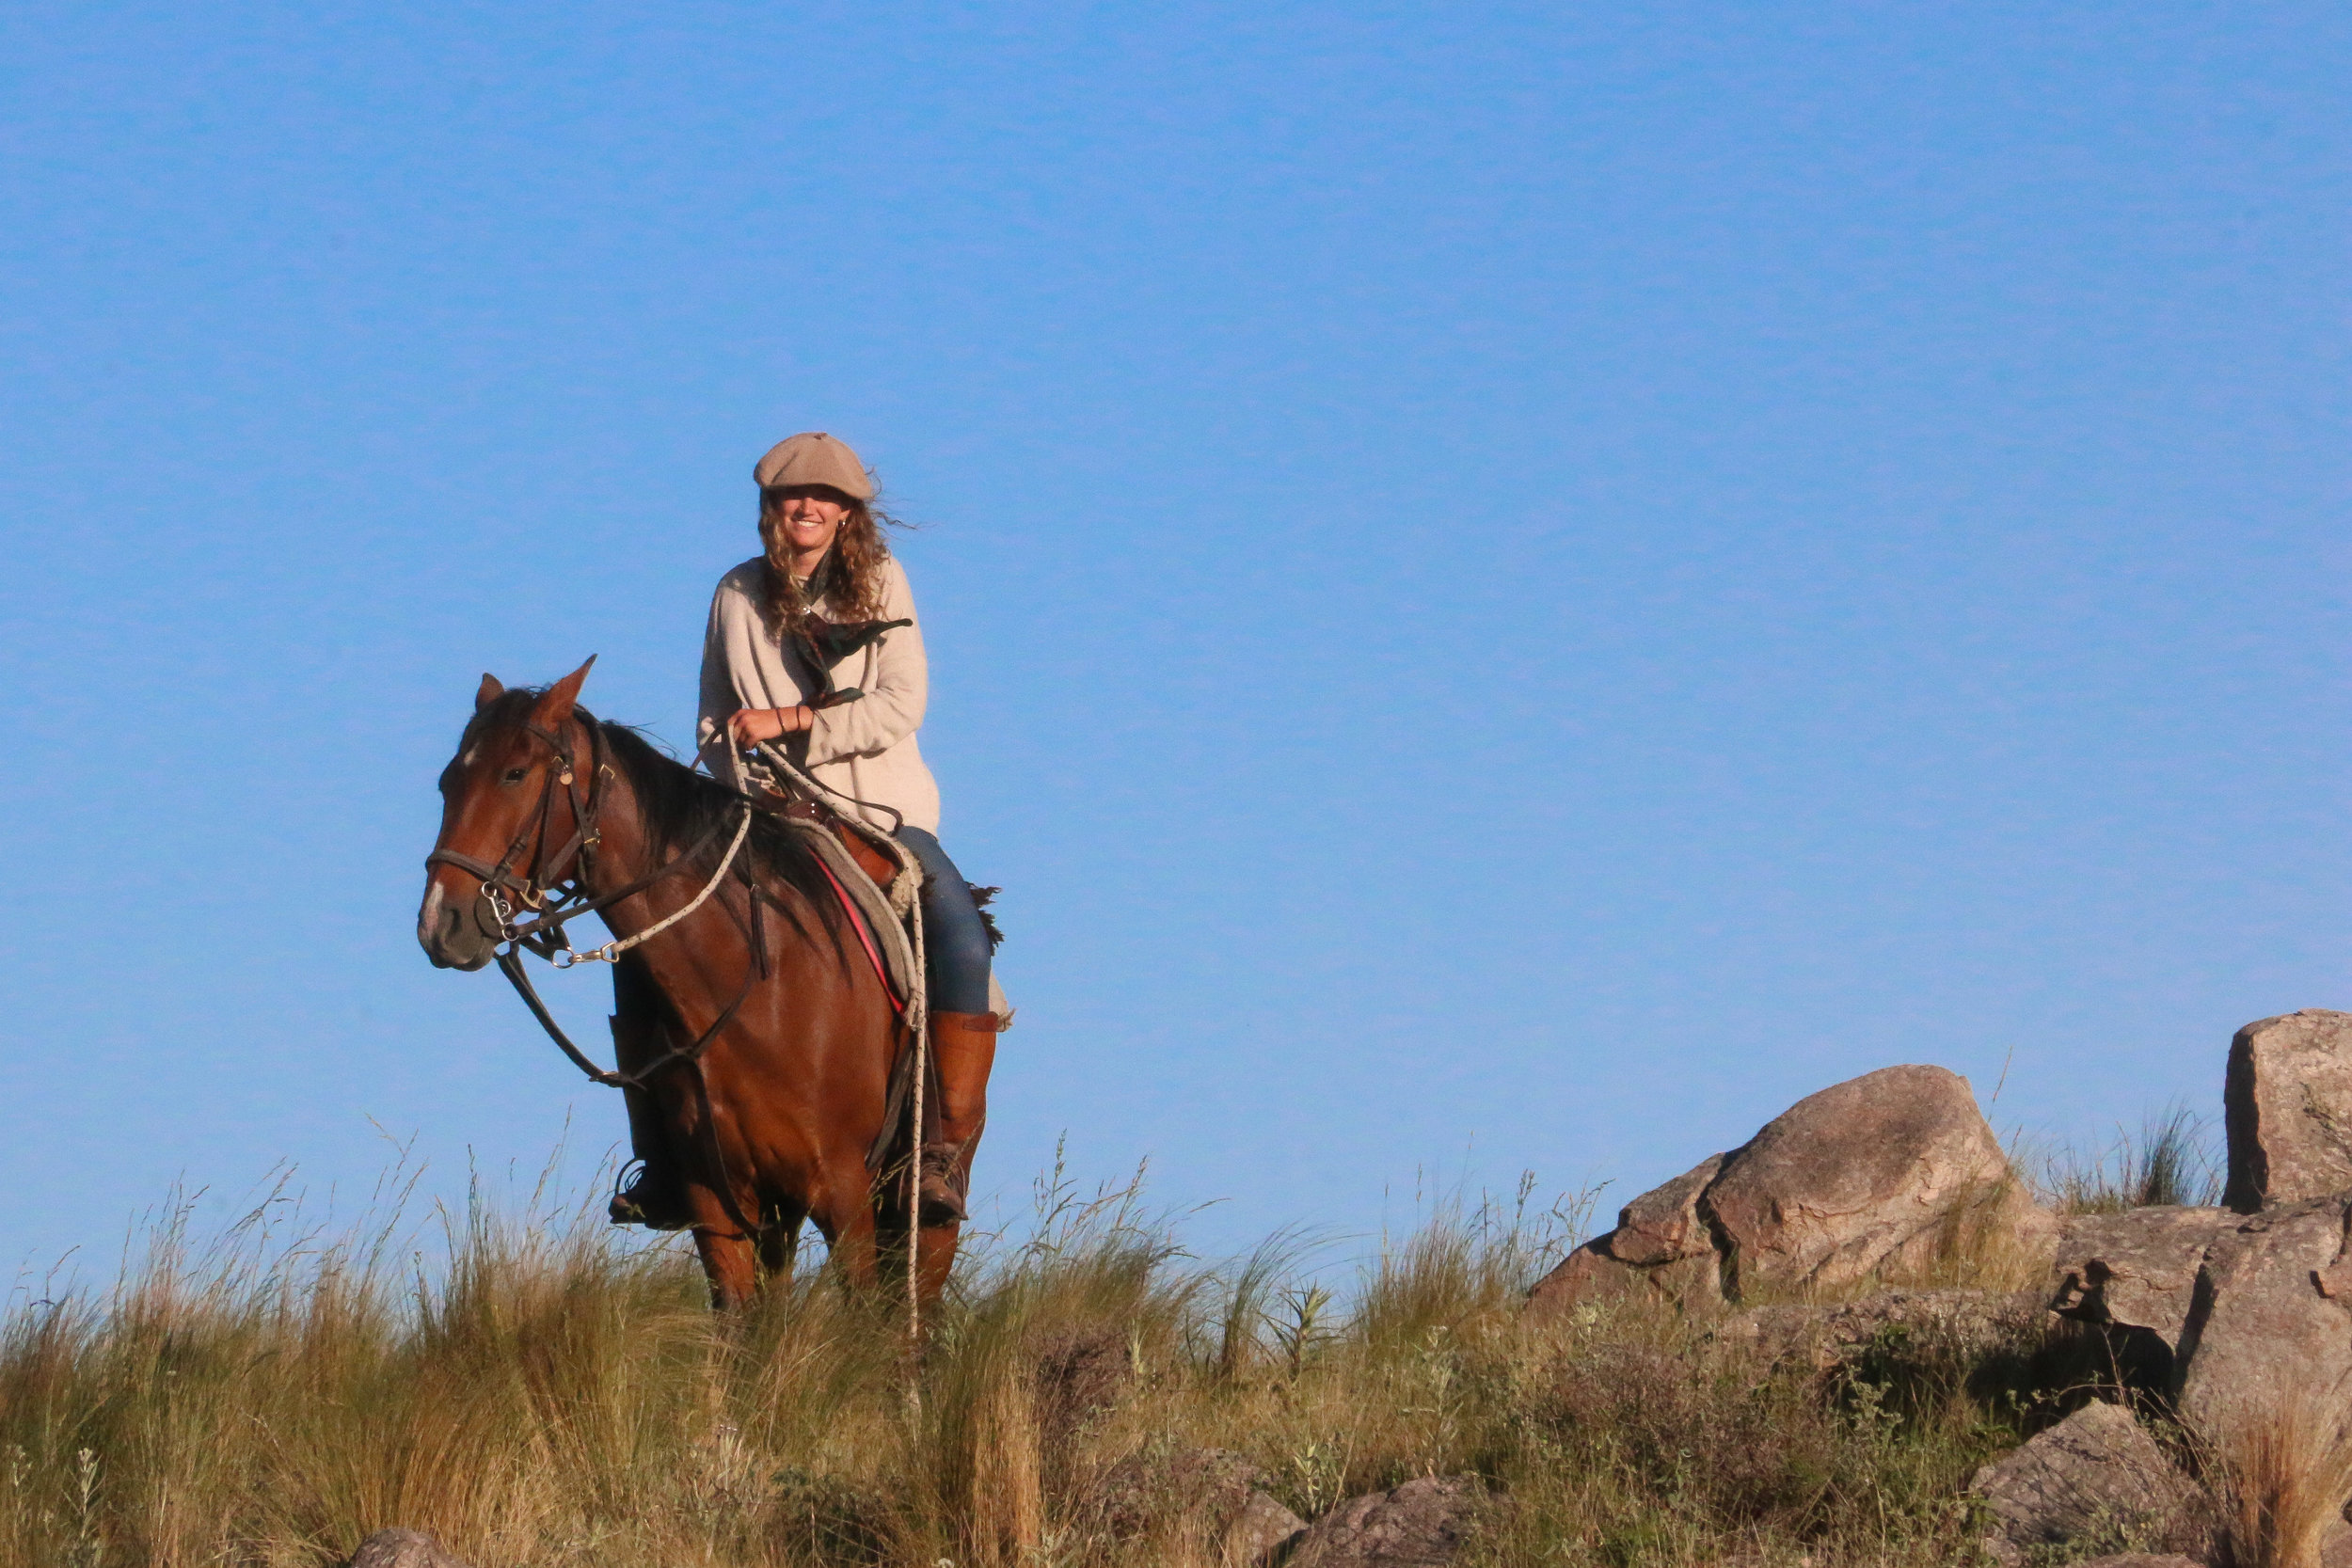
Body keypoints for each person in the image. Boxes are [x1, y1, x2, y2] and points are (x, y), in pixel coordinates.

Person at [607, 431, 1001, 1230]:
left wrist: (791, 724)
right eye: (793, 497)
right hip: (763, 823)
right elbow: (713, 721)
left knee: (962, 941)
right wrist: (736, 792)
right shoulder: (735, 594)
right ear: (770, 510)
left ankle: (941, 1149)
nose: (808, 507)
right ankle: (663, 1156)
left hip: (876, 816)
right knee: (643, 946)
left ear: (849, 513)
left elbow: (900, 704)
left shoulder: (883, 582)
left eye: (826, 498)